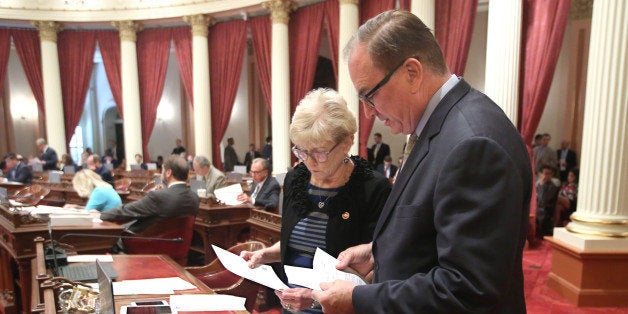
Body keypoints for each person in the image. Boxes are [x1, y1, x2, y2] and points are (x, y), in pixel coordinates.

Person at [311, 10, 532, 313]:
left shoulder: (473, 144)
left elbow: (467, 289)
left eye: (370, 95)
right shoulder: (441, 126)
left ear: (412, 72)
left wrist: (358, 299)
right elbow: (432, 227)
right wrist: (379, 252)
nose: (368, 113)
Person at [240, 88, 391, 313]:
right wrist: (266, 254)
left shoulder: (372, 188)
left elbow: (375, 269)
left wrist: (313, 299)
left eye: (320, 153)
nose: (310, 162)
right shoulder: (295, 179)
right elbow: (301, 243)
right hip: (291, 305)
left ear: (347, 142)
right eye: (302, 152)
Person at [96, 155, 199, 234]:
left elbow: (127, 211)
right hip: (176, 246)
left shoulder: (159, 196)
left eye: (162, 170)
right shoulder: (195, 197)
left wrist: (100, 215)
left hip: (145, 244)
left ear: (168, 173)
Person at [536, 165, 559, 238]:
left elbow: (542, 200)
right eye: (545, 173)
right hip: (537, 207)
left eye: (549, 174)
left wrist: (542, 186)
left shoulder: (553, 187)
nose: (547, 176)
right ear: (540, 174)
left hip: (546, 211)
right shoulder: (538, 184)